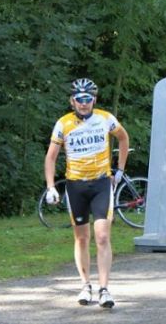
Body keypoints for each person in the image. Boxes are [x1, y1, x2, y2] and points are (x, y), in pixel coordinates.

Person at [44, 78, 129, 309]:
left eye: (87, 99)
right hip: (75, 186)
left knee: (102, 236)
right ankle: (85, 285)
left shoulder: (105, 119)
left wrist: (119, 170)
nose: (83, 104)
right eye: (79, 99)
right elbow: (51, 157)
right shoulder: (63, 123)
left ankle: (104, 289)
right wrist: (51, 186)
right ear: (72, 101)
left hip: (101, 183)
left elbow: (123, 138)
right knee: (81, 237)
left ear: (94, 99)